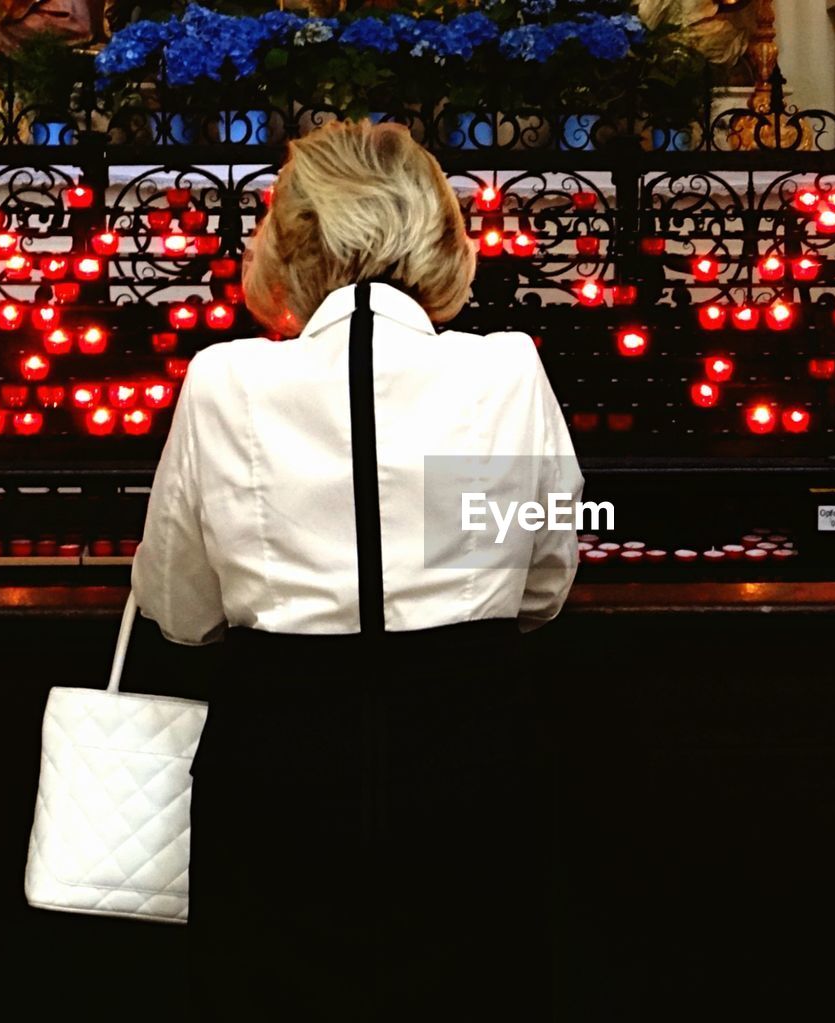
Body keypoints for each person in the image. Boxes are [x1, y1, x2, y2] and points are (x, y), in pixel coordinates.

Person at [131, 119, 582, 1019]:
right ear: (441, 230)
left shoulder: (225, 381)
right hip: (468, 735)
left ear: (291, 239)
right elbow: (546, 577)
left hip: (280, 746)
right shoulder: (505, 373)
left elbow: (178, 606)